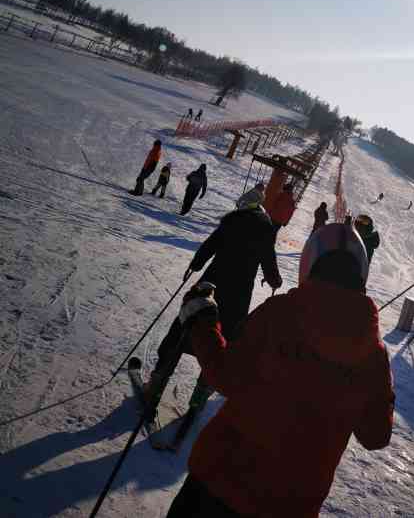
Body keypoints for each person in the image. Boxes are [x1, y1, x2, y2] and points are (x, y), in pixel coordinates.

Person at [165, 223, 394, 518]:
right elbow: (376, 435)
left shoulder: (279, 315)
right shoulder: (373, 356)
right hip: (290, 505)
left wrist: (202, 322)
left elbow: (225, 375)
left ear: (310, 264)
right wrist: (380, 385)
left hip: (220, 482)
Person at [146, 185, 283, 403]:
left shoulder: (232, 220)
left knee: (185, 327)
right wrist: (275, 280)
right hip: (238, 296)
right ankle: (201, 394)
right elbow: (269, 261)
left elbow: (211, 244)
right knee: (222, 339)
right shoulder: (266, 229)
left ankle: (156, 383)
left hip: (211, 285)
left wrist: (196, 264)